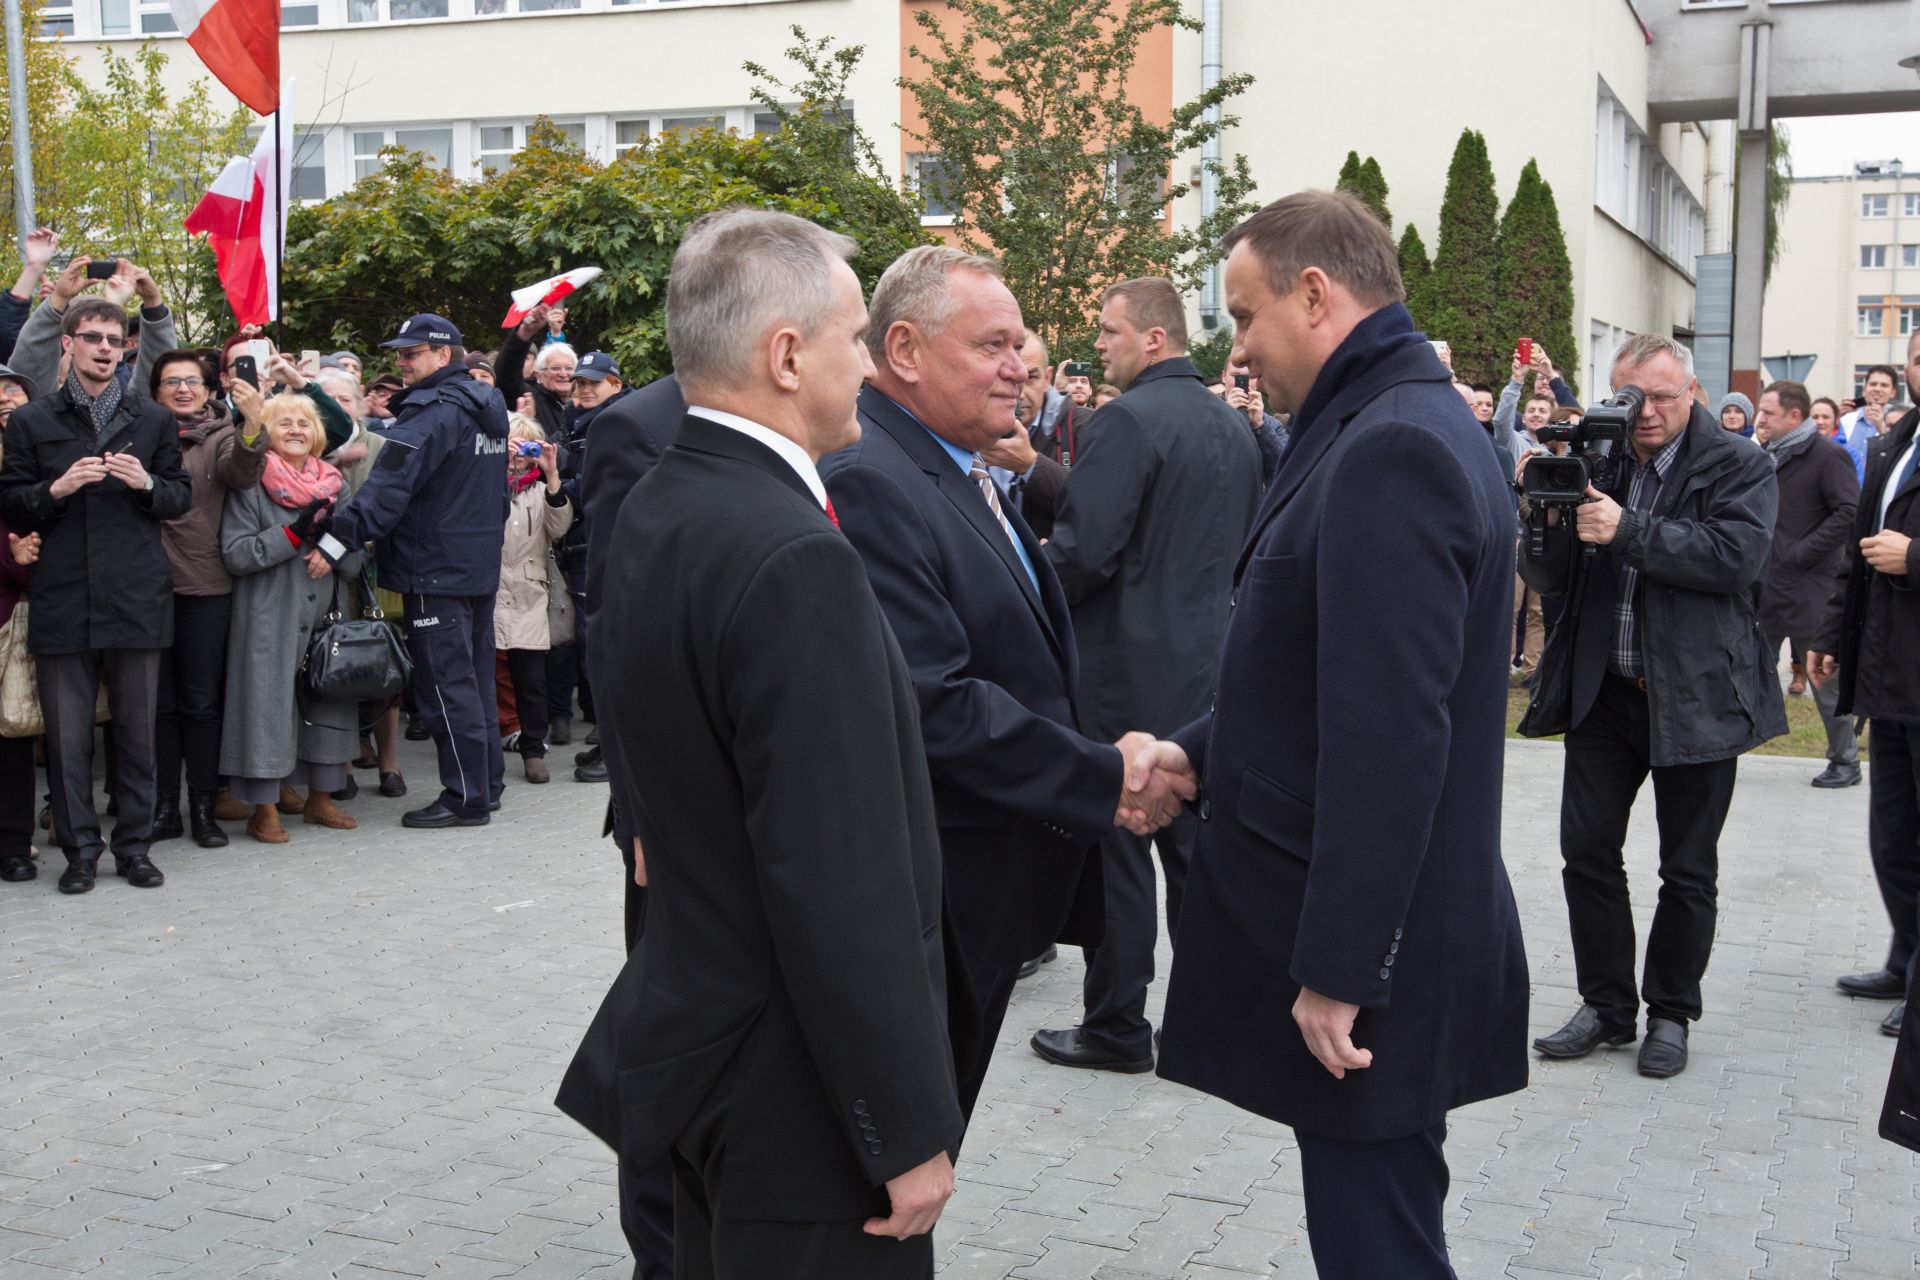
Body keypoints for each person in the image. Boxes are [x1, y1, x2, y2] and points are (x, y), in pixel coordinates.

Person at [556, 207, 962, 1280]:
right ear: (786, 356)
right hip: (797, 1096)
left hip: (703, 1047)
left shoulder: (665, 500)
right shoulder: (791, 553)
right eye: (853, 337)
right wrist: (902, 1123)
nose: (869, 364)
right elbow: (837, 872)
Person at [1135, 191, 1529, 1278]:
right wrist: (1199, 751)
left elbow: (1391, 735)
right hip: (1396, 929)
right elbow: (1319, 674)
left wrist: (1343, 966)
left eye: (1245, 314)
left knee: (1378, 1245)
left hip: (1380, 955)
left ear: (1315, 293)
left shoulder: (1391, 444)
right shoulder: (1382, 422)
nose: (1238, 348)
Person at [820, 246, 1176, 1115]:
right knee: (907, 1149)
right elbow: (931, 701)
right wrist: (1103, 776)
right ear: (904, 350)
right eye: (993, 346)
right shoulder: (872, 479)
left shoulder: (951, 465)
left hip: (984, 889)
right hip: (942, 894)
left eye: (1018, 347)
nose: (1019, 368)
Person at [1521, 333, 1786, 1078]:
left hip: (1696, 694)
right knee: (1586, 854)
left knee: (1687, 870)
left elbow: (1735, 558)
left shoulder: (1739, 462)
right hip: (1605, 693)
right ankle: (1607, 1007)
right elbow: (1550, 579)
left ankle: (1671, 1013)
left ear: (1691, 393)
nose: (1643, 412)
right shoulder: (1597, 457)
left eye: (1660, 397)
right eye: (1628, 396)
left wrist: (1628, 529)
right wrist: (1544, 512)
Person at [1028, 277, 1262, 1075]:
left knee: (1119, 851)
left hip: (1124, 673)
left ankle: (1117, 1025)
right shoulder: (1231, 425)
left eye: (1108, 330)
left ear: (1153, 338)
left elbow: (1084, 552)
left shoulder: (1126, 420)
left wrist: (1019, 582)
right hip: (1209, 670)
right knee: (1194, 854)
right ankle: (1214, 1022)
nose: (1097, 343)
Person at [0, 297, 192, 893]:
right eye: (93, 337)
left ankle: (134, 849)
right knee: (66, 740)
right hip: (63, 595)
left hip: (135, 595)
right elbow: (12, 500)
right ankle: (79, 852)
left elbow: (179, 497)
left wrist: (148, 482)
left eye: (115, 339)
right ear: (69, 344)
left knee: (137, 735)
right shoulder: (33, 421)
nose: (106, 348)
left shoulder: (152, 419)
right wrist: (55, 489)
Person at [314, 314, 511, 829]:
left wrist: (333, 544)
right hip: (475, 565)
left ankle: (465, 798)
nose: (400, 362)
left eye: (411, 353)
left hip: (435, 569)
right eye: (399, 353)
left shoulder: (432, 413)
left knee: (447, 688)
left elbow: (385, 492)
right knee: (474, 683)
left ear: (444, 355)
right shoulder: (485, 404)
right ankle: (485, 785)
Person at [576, 367, 685, 1280]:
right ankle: (663, 1251)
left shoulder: (817, 421)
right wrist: (645, 810)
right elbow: (616, 629)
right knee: (665, 1040)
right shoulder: (638, 428)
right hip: (672, 824)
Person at [1809, 328, 1920, 1040]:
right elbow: (1858, 553)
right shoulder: (1895, 440)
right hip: (1893, 676)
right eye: (1918, 356)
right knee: (1894, 839)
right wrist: (1830, 635)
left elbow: (1899, 551)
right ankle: (1905, 961)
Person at [219, 395, 361, 842]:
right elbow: (236, 553)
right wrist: (292, 536)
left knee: (328, 700)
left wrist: (332, 550)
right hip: (268, 610)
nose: (296, 429)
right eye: (283, 423)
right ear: (265, 432)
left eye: (304, 422)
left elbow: (356, 551)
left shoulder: (336, 485)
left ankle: (322, 800)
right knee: (264, 707)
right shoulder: (250, 482)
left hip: (327, 611)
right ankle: (263, 809)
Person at [151, 351, 270, 848]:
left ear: (209, 388)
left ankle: (203, 807)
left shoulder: (223, 433)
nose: (183, 389)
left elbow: (241, 473)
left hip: (203, 584)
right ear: (155, 390)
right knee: (157, 706)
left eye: (192, 381)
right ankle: (163, 809)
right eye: (171, 381)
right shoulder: (140, 430)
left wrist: (253, 423)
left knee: (200, 703)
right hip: (144, 586)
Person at [1752, 380, 1861, 788]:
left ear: (1794, 416)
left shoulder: (1827, 456)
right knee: (1745, 667)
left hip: (1812, 591)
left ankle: (1846, 760)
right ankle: (1725, 746)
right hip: (1767, 586)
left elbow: (1849, 511)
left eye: (1768, 412)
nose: (1760, 419)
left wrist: (1800, 552)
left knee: (1821, 675)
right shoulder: (1767, 455)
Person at [551, 349, 631, 780]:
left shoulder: (614, 422)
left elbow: (598, 486)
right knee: (593, 645)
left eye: (592, 383)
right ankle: (608, 743)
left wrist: (555, 482)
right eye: (579, 382)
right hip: (586, 544)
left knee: (603, 648)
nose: (582, 389)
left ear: (615, 384)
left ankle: (614, 749)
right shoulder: (581, 421)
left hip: (605, 546)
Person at [494, 415, 572, 784]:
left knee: (532, 682)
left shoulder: (542, 491)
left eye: (528, 446)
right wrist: (496, 464)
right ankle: (487, 748)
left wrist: (552, 473)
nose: (520, 454)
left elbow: (559, 528)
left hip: (529, 593)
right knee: (486, 677)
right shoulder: (483, 483)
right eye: (514, 444)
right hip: (490, 590)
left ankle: (533, 750)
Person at [977, 327, 1071, 541]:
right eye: (1007, 377)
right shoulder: (968, 426)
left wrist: (1031, 465)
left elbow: (1097, 505)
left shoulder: (1081, 426)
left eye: (1031, 377)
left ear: (1047, 378)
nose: (1019, 392)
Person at [0, 420, 40, 883]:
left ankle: (12, 844)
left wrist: (18, 561)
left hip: (7, 627)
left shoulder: (13, 496)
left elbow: (28, 566)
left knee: (11, 741)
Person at [1837, 365, 1901, 484]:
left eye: (1884, 385)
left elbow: (1897, 455)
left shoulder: (1897, 423)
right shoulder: (1846, 420)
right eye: (1873, 384)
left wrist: (1881, 427)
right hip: (1844, 486)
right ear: (1864, 389)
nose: (1877, 389)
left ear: (1893, 392)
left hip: (1876, 488)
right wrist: (1835, 418)